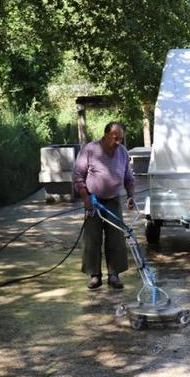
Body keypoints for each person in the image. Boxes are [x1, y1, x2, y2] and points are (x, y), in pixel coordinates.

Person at [73, 122, 136, 290]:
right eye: (115, 138)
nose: (118, 142)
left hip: (114, 200)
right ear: (106, 135)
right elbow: (78, 175)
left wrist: (131, 196)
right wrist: (85, 197)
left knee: (116, 238)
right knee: (92, 239)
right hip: (93, 201)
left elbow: (128, 177)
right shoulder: (90, 149)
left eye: (121, 139)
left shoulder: (122, 152)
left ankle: (114, 275)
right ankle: (95, 275)